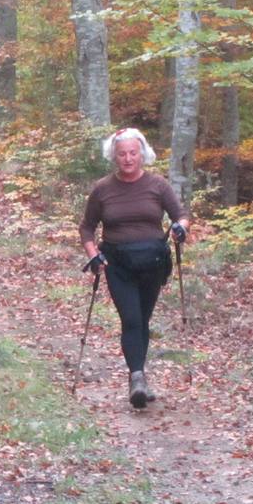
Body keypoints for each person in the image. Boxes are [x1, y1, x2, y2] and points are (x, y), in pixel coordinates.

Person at [79, 128, 190, 408]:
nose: (128, 158)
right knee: (131, 319)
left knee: (143, 318)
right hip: (117, 263)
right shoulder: (103, 189)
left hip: (153, 262)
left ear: (142, 153)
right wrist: (94, 255)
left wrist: (180, 228)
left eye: (132, 153)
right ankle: (137, 378)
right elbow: (87, 227)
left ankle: (138, 376)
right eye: (122, 154)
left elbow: (181, 215)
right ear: (114, 156)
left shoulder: (158, 185)